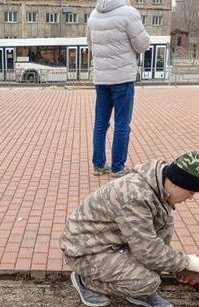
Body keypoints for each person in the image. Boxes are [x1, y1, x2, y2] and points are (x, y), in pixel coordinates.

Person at [60, 151, 199, 307]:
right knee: (147, 281)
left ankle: (139, 291)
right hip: (85, 251)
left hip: (111, 242)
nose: (191, 198)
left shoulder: (158, 186)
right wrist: (186, 263)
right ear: (177, 184)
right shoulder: (136, 197)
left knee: (163, 227)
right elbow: (148, 251)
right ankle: (86, 281)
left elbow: (153, 241)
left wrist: (176, 267)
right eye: (191, 192)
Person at [86, 0, 150, 179]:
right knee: (122, 124)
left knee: (100, 123)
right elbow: (142, 45)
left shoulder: (93, 15)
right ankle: (117, 168)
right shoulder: (129, 13)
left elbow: (91, 45)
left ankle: (98, 165)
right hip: (123, 78)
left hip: (101, 78)